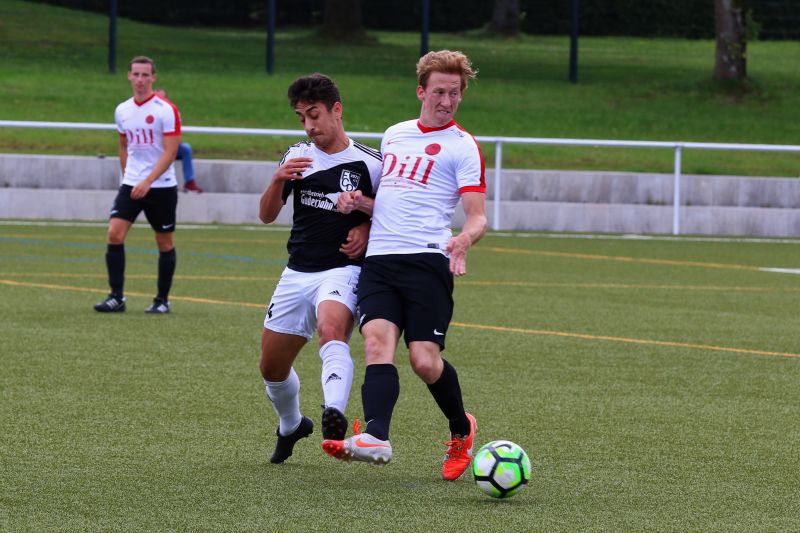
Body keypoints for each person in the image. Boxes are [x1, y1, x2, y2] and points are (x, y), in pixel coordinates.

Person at [323, 50, 488, 481]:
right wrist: (359, 202)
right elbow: (392, 199)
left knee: (423, 361)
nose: (447, 101)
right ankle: (377, 434)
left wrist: (464, 239)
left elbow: (477, 215)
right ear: (421, 91)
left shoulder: (463, 146)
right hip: (379, 258)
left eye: (455, 93)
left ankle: (460, 429)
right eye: (439, 92)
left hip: (428, 261)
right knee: (377, 342)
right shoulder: (395, 134)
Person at [258, 73, 382, 464]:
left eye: (314, 115)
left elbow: (395, 216)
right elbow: (266, 215)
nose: (309, 126)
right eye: (301, 118)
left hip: (343, 269)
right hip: (297, 273)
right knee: (272, 368)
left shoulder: (371, 163)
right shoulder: (297, 156)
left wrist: (365, 223)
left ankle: (335, 413)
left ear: (337, 110)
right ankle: (292, 424)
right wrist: (277, 179)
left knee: (332, 328)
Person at [94, 56, 181, 314]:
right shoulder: (122, 110)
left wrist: (148, 181)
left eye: (145, 75)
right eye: (136, 74)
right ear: (129, 76)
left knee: (164, 243)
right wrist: (128, 177)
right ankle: (116, 297)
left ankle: (162, 300)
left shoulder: (166, 109)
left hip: (162, 186)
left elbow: (170, 151)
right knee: (114, 234)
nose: (140, 80)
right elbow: (123, 146)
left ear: (153, 77)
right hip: (132, 184)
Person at [154, 88, 203, 193]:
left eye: (163, 97)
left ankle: (189, 182)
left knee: (185, 149)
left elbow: (177, 138)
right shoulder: (148, 113)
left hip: (167, 147)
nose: (160, 100)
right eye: (157, 97)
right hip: (153, 148)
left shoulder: (172, 112)